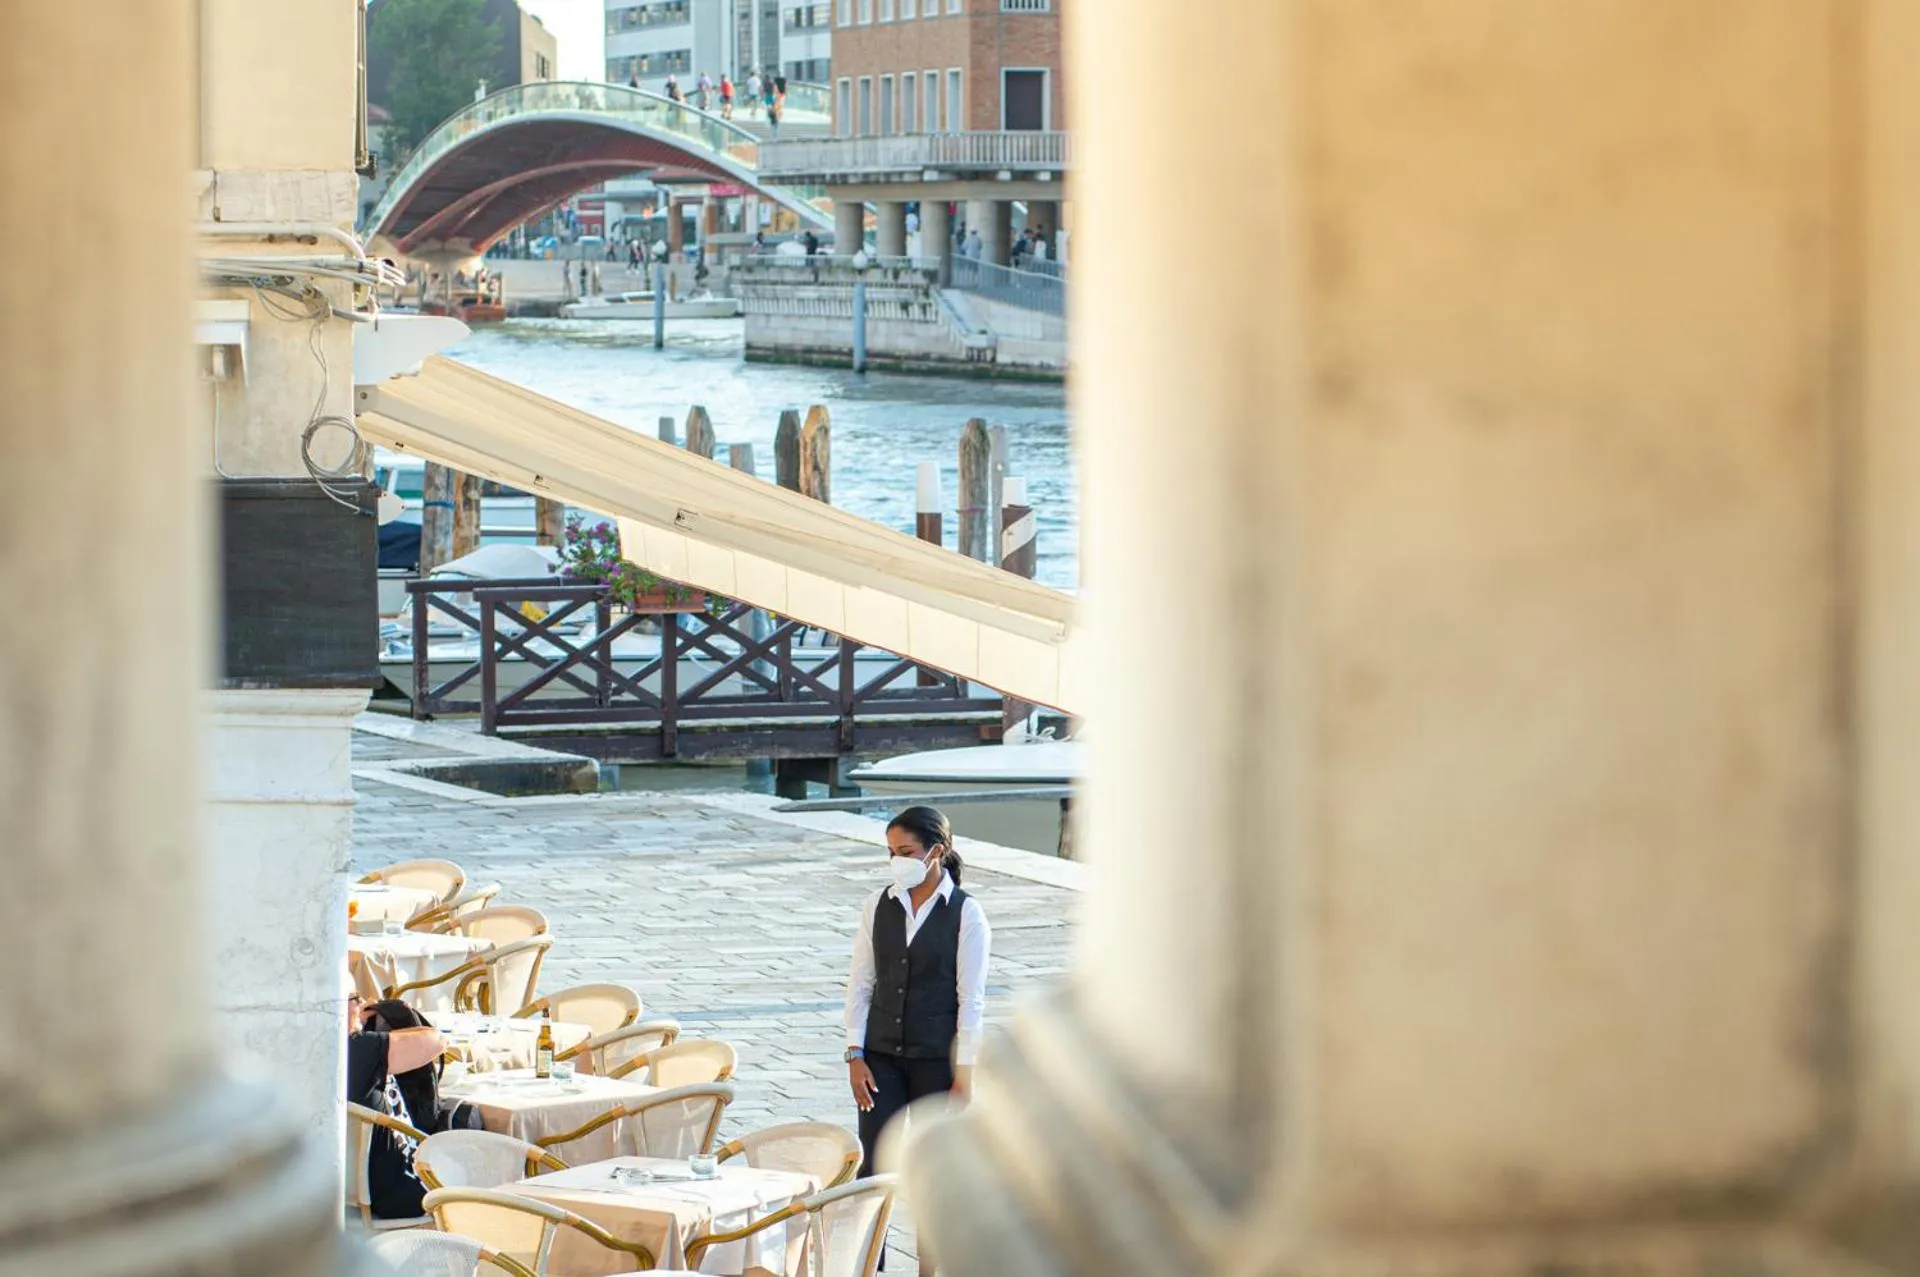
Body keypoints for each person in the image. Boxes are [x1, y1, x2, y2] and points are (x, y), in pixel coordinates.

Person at [844, 807, 991, 1223]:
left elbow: (971, 1000)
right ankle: (871, 1265)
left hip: (936, 1062)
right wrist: (855, 1055)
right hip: (880, 1058)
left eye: (905, 851)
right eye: (891, 852)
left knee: (937, 1174)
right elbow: (860, 983)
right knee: (874, 1168)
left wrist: (966, 1073)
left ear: (937, 851)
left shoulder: (967, 914)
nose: (897, 861)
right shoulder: (878, 905)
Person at [345, 991, 445, 1220]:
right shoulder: (357, 1050)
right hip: (395, 1195)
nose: (361, 1004)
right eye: (355, 998)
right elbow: (436, 1041)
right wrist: (395, 1011)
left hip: (333, 1195)